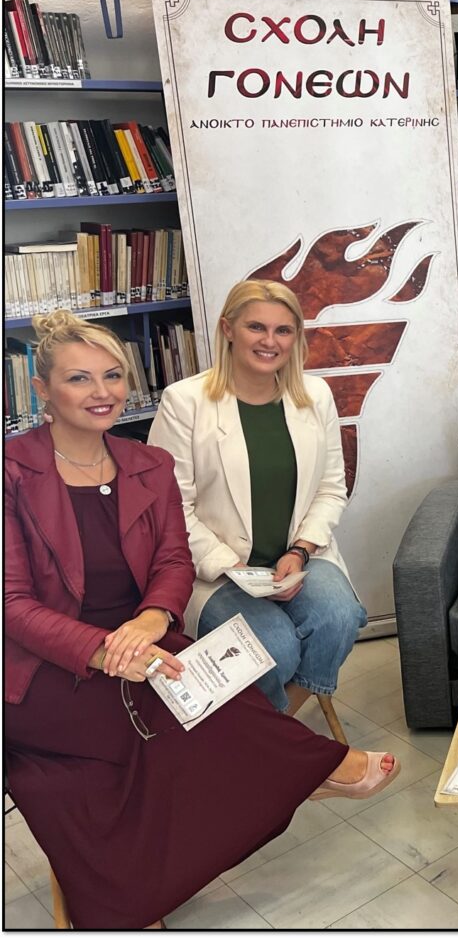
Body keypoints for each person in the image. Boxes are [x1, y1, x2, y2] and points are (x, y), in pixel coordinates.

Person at [3, 310, 400, 929]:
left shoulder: (147, 465)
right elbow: (13, 604)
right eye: (79, 379)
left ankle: (288, 777)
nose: (102, 392)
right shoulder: (11, 473)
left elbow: (172, 561)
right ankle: (298, 774)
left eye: (112, 376)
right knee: (145, 733)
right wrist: (105, 650)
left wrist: (153, 617)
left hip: (145, 639)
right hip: (46, 666)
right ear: (41, 389)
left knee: (220, 695)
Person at [148, 279, 365, 715]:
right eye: (256, 328)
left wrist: (301, 552)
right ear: (228, 329)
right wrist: (234, 569)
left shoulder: (315, 396)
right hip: (216, 571)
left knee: (340, 617)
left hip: (298, 560)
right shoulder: (185, 402)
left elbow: (330, 488)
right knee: (274, 650)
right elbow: (170, 508)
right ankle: (273, 736)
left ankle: (275, 728)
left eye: (283, 330)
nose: (270, 342)